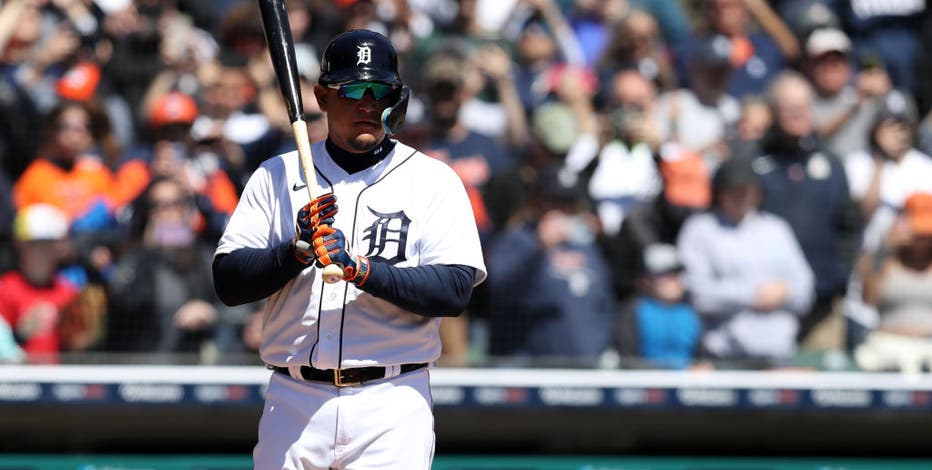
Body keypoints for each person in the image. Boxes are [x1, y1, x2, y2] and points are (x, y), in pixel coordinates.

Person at [211, 30, 486, 469]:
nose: (368, 104)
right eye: (354, 89)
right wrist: (297, 251)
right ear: (321, 96)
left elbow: (453, 291)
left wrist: (361, 269)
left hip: (392, 401)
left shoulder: (433, 179)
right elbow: (229, 281)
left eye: (382, 91)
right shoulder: (276, 176)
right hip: (294, 399)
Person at [678, 156, 815, 367]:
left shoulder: (776, 229)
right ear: (719, 192)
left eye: (746, 190)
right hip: (724, 356)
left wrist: (784, 293)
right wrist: (751, 295)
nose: (740, 197)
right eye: (733, 191)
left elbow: (805, 288)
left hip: (777, 356)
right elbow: (697, 293)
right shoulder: (700, 230)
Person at [854, 192, 932, 374]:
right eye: (918, 233)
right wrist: (884, 251)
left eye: (926, 235)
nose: (922, 241)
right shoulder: (884, 258)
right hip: (887, 344)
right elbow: (868, 299)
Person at [615, 243, 701, 370]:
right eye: (665, 274)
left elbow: (701, 357)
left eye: (676, 273)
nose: (673, 279)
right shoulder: (634, 310)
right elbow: (628, 358)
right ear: (647, 280)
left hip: (687, 386)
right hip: (646, 385)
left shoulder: (691, 311)